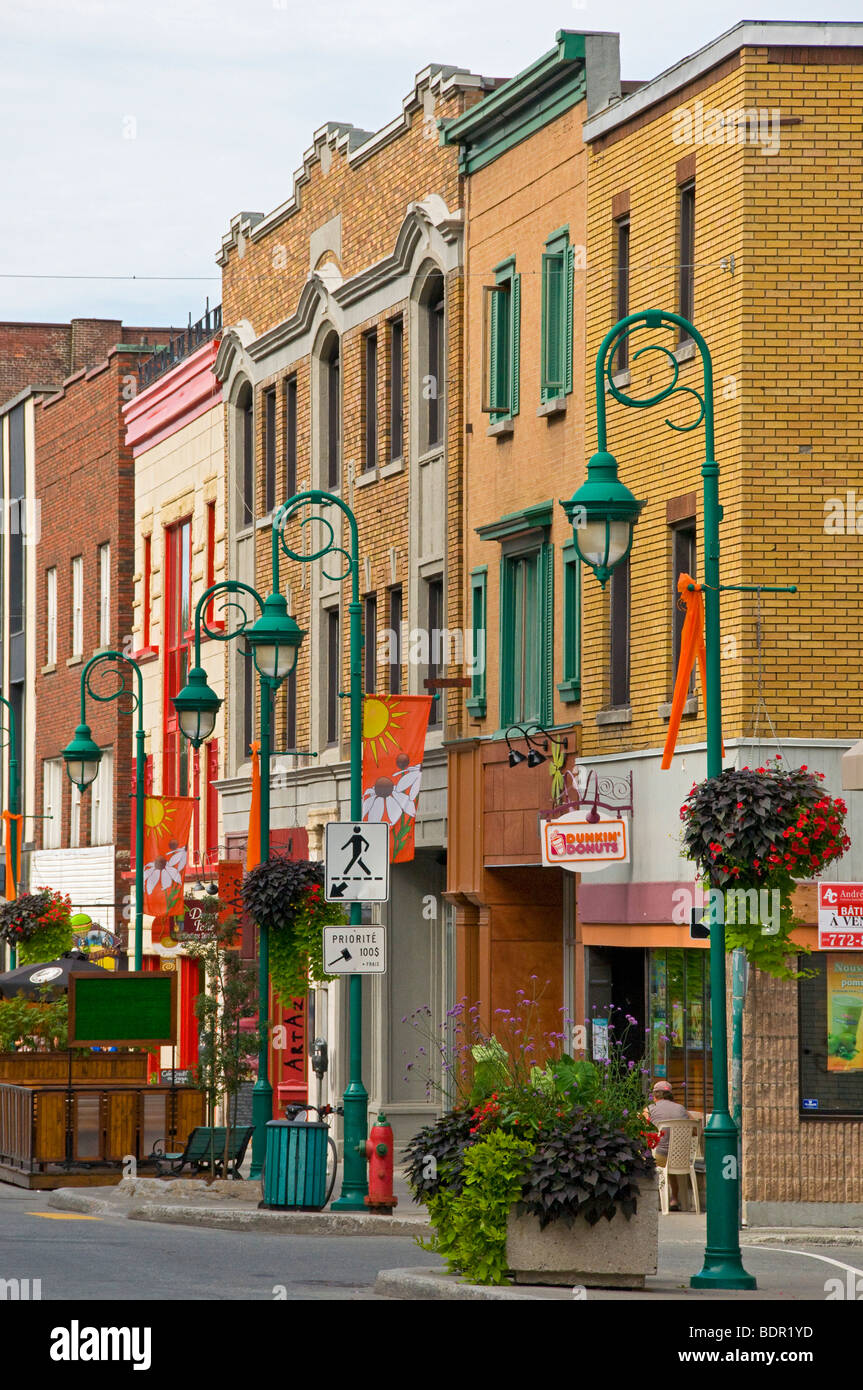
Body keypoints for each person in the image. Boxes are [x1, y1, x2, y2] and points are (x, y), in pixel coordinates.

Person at [647, 1080, 693, 1211]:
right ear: (670, 1095)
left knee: (649, 1159)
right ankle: (674, 1198)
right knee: (671, 1160)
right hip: (681, 1157)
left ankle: (654, 1199)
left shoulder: (650, 1109)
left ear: (654, 1096)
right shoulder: (681, 1108)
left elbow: (637, 1127)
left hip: (660, 1157)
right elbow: (695, 1128)